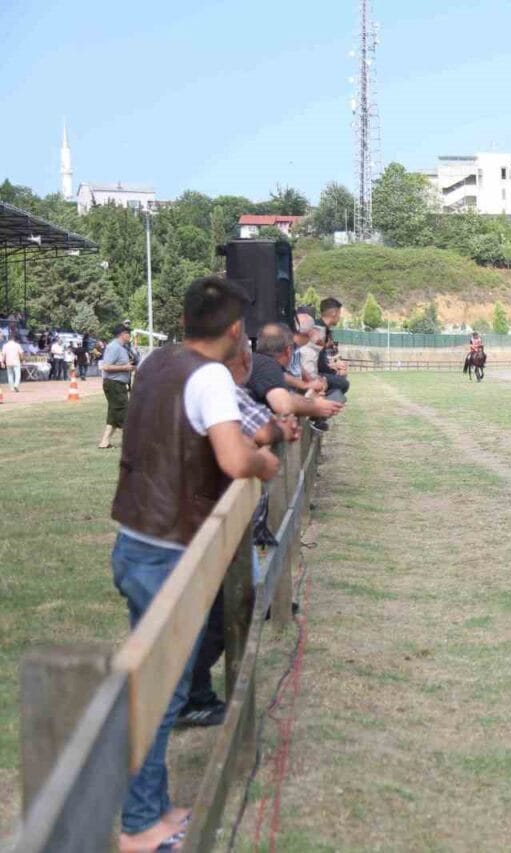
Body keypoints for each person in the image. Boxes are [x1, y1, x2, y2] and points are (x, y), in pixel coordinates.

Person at [109, 276, 279, 853]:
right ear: (235, 331)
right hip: (167, 552)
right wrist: (263, 463)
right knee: (162, 694)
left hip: (134, 540)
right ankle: (139, 827)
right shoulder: (208, 376)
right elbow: (234, 458)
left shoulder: (157, 360)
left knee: (154, 687)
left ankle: (152, 808)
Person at [180, 336, 299, 730]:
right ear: (244, 361)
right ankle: (190, 695)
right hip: (201, 513)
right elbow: (258, 433)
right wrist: (269, 444)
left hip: (185, 512)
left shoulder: (177, 374)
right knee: (229, 604)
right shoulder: (219, 385)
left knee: (224, 602)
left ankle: (190, 693)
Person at [247, 322, 344, 421]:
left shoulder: (256, 361)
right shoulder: (268, 365)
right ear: (288, 350)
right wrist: (315, 405)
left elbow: (282, 376)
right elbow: (283, 404)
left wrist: (307, 385)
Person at [99, 325, 135, 449]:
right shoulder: (113, 347)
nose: (130, 336)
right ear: (122, 334)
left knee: (113, 414)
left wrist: (128, 366)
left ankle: (104, 442)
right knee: (124, 411)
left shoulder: (122, 348)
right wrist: (124, 368)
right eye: (128, 333)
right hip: (114, 384)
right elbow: (106, 367)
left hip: (118, 384)